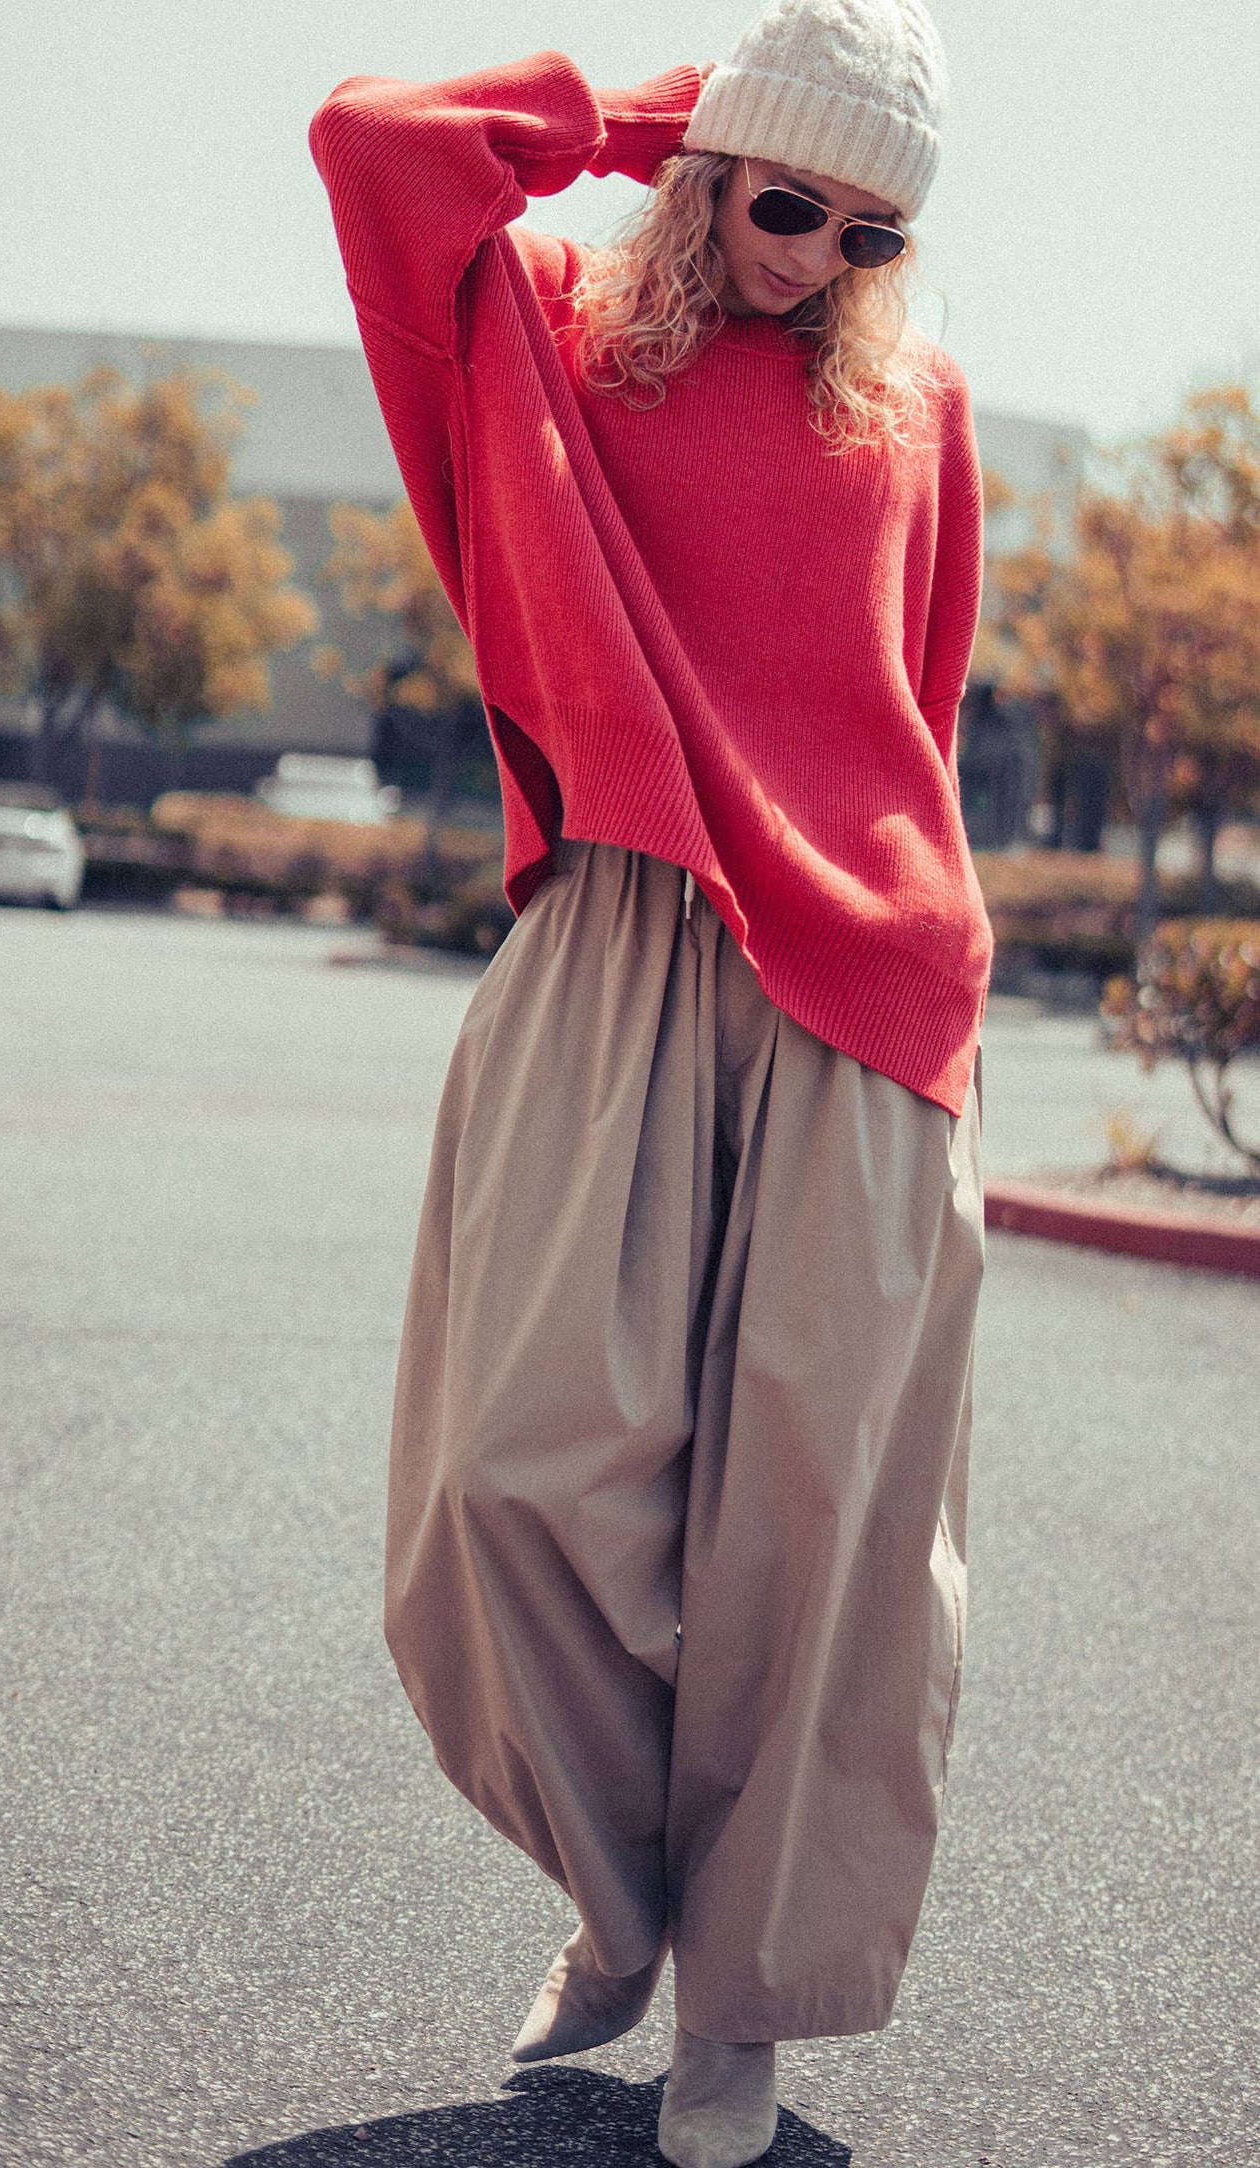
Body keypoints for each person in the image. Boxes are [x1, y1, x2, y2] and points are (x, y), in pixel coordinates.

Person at [311, 2, 989, 2161]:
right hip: (615, 920)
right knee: (507, 1473)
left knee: (816, 1518)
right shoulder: (540, 323)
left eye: (871, 235)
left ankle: (739, 2008)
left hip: (866, 986)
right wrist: (646, 118)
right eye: (785, 203)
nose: (818, 259)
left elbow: (918, 704)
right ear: (708, 170)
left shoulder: (920, 404)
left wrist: (916, 968)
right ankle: (622, 1900)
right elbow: (374, 139)